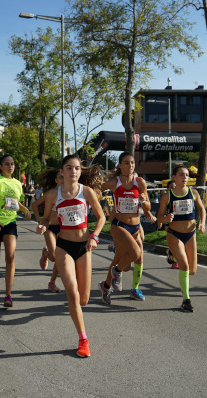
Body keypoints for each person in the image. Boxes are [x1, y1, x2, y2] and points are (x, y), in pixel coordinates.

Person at [37, 154, 105, 358]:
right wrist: (43, 224)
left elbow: (101, 218)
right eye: (69, 168)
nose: (73, 171)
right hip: (63, 246)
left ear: (80, 171)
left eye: (76, 168)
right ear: (61, 171)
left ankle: (80, 316)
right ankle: (83, 340)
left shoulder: (87, 192)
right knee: (73, 294)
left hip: (84, 247)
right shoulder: (52, 194)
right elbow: (48, 219)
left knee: (83, 300)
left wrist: (94, 237)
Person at [98, 152, 156, 304]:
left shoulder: (140, 182)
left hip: (135, 226)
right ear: (119, 165)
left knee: (121, 260)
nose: (130, 165)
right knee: (136, 253)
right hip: (119, 225)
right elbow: (96, 192)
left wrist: (144, 201)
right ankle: (116, 272)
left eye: (132, 162)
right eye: (126, 163)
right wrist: (100, 207)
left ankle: (106, 286)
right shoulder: (114, 182)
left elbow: (148, 206)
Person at [0, 156, 32, 308]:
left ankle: (8, 295)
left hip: (10, 223)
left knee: (10, 256)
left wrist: (24, 209)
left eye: (12, 164)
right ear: (1, 167)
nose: (10, 166)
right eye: (7, 164)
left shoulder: (17, 183)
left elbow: (14, 201)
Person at [156, 165, 207, 312]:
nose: (185, 177)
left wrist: (202, 223)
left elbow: (202, 209)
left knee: (192, 271)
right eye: (181, 175)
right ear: (174, 177)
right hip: (174, 234)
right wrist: (166, 218)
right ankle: (186, 300)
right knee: (184, 266)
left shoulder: (194, 192)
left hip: (191, 234)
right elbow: (159, 216)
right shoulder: (167, 196)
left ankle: (172, 254)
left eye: (186, 175)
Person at [32, 171, 64, 293]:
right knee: (53, 257)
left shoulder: (68, 194)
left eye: (64, 178)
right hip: (49, 227)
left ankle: (52, 282)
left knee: (59, 257)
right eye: (60, 178)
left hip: (63, 228)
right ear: (55, 180)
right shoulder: (51, 194)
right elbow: (35, 205)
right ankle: (45, 254)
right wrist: (39, 221)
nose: (63, 180)